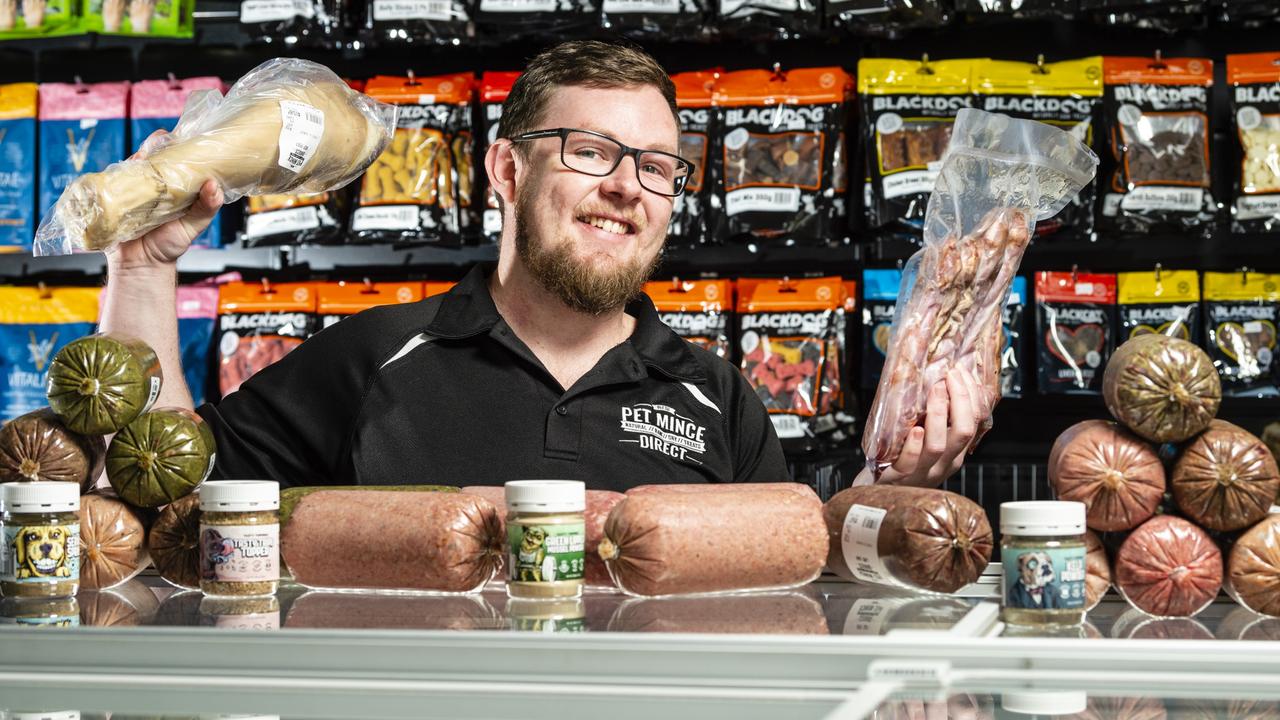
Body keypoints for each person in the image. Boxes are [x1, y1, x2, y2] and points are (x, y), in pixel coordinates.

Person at [99, 40, 984, 491]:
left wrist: (894, 488)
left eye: (656, 165)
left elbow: (788, 598)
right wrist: (140, 274)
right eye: (593, 152)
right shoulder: (372, 360)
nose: (629, 188)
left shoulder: (720, 398)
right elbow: (161, 480)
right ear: (507, 170)